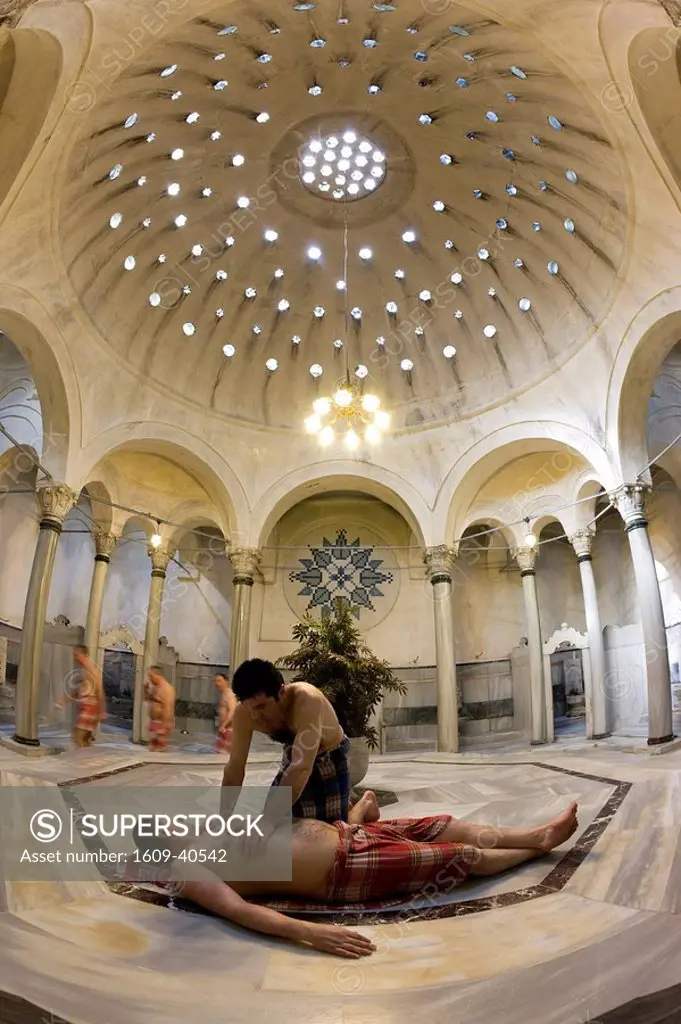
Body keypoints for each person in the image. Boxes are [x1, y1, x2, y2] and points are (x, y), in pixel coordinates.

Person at [165, 800, 580, 959]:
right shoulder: (188, 870)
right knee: (461, 857)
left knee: (442, 825)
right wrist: (313, 933)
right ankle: (538, 846)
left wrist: (352, 819)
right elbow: (238, 910)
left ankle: (532, 834)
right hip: (345, 869)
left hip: (349, 834)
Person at [221, 658, 376, 825]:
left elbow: (300, 768)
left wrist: (267, 822)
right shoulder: (244, 714)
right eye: (248, 707)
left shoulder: (307, 700)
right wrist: (223, 817)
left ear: (281, 692)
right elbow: (235, 767)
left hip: (329, 754)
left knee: (336, 833)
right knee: (282, 824)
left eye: (261, 707)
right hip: (296, 752)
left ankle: (365, 804)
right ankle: (344, 805)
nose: (255, 716)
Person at [60, 645, 106, 748]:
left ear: (84, 655)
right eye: (74, 655)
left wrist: (101, 711)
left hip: (90, 709)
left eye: (77, 655)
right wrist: (64, 699)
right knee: (85, 739)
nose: (74, 658)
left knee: (77, 737)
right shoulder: (84, 671)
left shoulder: (92, 670)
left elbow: (100, 691)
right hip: (86, 708)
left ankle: (80, 760)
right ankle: (86, 761)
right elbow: (79, 690)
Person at [145, 665, 175, 752]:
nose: (149, 679)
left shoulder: (167, 689)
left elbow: (168, 708)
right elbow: (148, 699)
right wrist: (145, 690)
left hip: (162, 723)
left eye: (150, 676)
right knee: (152, 749)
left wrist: (165, 727)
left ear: (157, 675)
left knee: (160, 750)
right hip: (154, 722)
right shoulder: (155, 687)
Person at [214, 672, 236, 755]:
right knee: (219, 753)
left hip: (228, 730)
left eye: (219, 681)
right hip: (224, 730)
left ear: (226, 681)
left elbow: (232, 710)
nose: (216, 683)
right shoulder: (224, 694)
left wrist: (223, 726)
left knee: (224, 755)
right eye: (215, 681)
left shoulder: (229, 694)